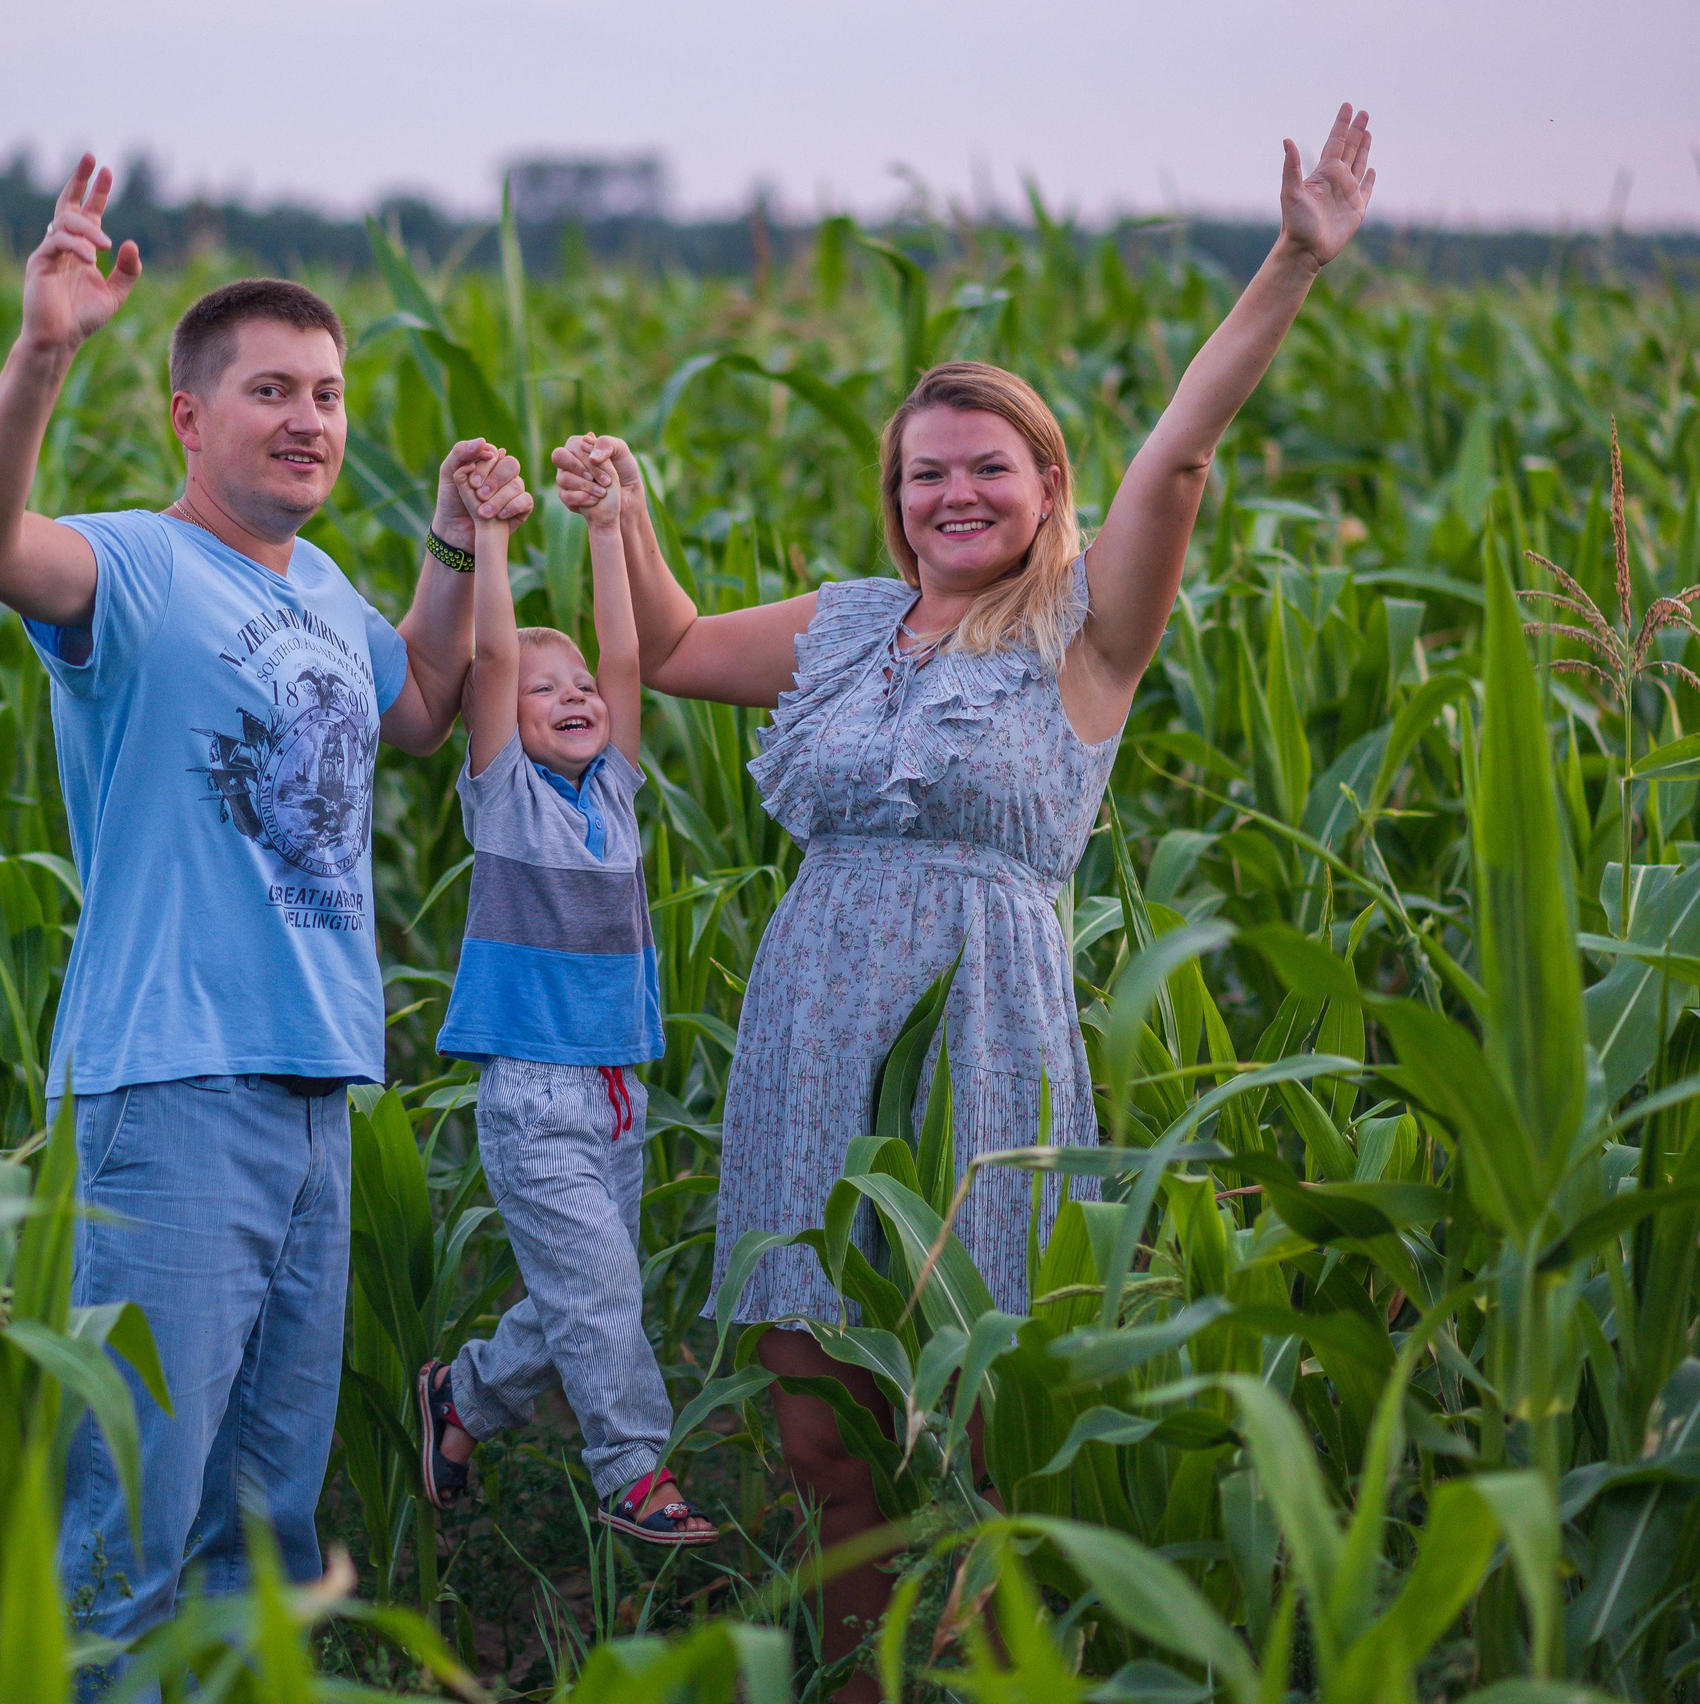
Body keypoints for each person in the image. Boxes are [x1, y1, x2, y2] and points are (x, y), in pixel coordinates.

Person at [595, 107, 1378, 1698]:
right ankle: (859, 1674)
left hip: (986, 1034)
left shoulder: (1087, 632)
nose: (954, 494)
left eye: (986, 469)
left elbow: (1184, 448)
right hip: (815, 1024)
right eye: (924, 473)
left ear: (1044, 484)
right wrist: (621, 509)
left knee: (981, 1410)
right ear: (894, 495)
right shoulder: (845, 625)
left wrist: (1293, 260)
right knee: (819, 1421)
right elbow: (670, 650)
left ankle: (1000, 1672)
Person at [0, 156, 532, 1654]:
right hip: (175, 1085)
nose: (309, 419)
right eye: (272, 392)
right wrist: (45, 347)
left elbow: (422, 704)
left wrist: (457, 543)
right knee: (127, 1521)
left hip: (318, 1089)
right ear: (192, 417)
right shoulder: (133, 567)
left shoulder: (324, 591)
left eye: (327, 395)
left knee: (260, 1529)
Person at [409, 438, 715, 1545]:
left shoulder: (616, 793)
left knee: (589, 1296)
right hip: (536, 1094)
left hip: (617, 1094)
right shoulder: (505, 800)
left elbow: (627, 661)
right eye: (548, 692)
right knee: (597, 1299)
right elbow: (491, 661)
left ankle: (467, 1400)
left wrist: (604, 526)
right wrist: (489, 539)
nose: (575, 695)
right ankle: (633, 1469)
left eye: (577, 683)